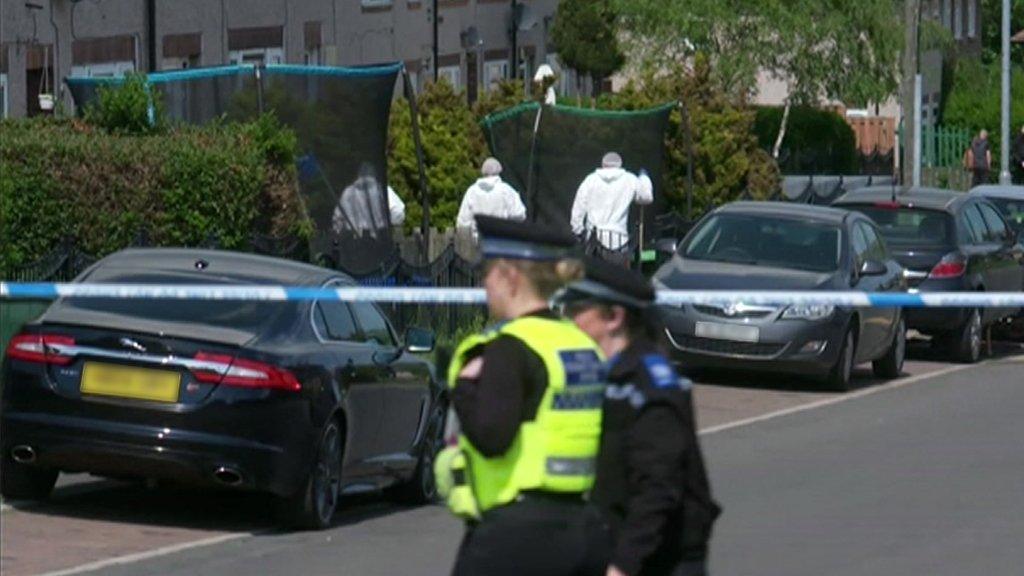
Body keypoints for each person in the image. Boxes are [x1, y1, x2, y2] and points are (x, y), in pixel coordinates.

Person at [436, 215, 607, 576]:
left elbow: (491, 436)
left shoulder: (510, 348)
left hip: (515, 539)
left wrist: (464, 387)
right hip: (581, 529)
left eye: (488, 272)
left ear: (510, 277)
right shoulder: (580, 345)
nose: (484, 284)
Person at [556, 257, 721, 576]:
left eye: (578, 309)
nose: (571, 320)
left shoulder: (651, 386)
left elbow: (659, 489)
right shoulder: (612, 376)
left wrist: (623, 565)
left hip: (661, 562)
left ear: (614, 317)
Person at [571, 152, 654, 251]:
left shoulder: (591, 180)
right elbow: (646, 197)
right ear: (620, 165)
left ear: (603, 164)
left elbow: (578, 207)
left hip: (594, 238)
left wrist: (578, 231)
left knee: (594, 266)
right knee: (618, 266)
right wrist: (644, 178)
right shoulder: (630, 179)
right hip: (619, 239)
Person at [455, 158, 527, 237]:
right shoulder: (506, 190)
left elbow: (463, 221)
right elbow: (519, 214)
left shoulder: (472, 191)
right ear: (499, 170)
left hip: (477, 240)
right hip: (501, 238)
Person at [332, 162, 388, 238]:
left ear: (358, 175)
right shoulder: (380, 190)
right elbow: (396, 212)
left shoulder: (348, 192)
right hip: (379, 236)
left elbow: (337, 217)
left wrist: (338, 234)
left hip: (354, 238)